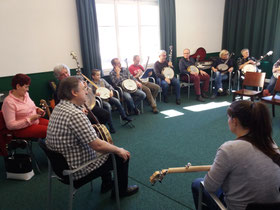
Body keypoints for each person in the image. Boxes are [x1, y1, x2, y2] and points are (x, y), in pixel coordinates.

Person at [46, 76, 139, 198]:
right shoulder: (75, 115)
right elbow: (97, 145)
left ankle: (107, 183)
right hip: (76, 171)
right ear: (74, 92)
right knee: (120, 156)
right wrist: (118, 149)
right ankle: (121, 192)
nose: (86, 92)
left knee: (105, 151)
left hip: (60, 167)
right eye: (84, 89)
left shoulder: (59, 107)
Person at [191, 100, 280, 210]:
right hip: (273, 206)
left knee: (197, 184)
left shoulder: (229, 149)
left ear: (235, 121)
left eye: (229, 117)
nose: (228, 121)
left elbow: (209, 186)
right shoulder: (271, 143)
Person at [2, 74, 48, 138]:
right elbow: (10, 126)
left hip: (35, 121)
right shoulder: (8, 102)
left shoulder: (26, 95)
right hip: (21, 129)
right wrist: (30, 119)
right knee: (51, 131)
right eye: (26, 87)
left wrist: (37, 109)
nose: (28, 89)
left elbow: (31, 107)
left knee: (56, 126)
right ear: (18, 86)